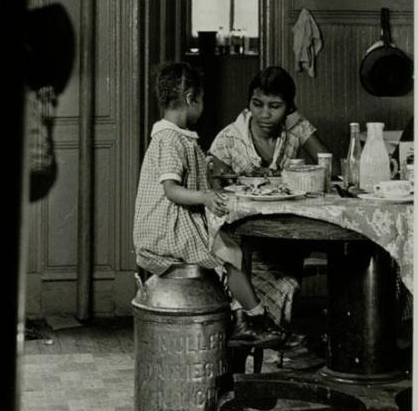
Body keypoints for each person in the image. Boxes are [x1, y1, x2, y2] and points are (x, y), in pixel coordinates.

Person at [133, 61, 284, 342]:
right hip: (165, 230)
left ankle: (245, 315)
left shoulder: (177, 137)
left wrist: (210, 173)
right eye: (200, 100)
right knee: (231, 252)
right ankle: (253, 318)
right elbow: (171, 190)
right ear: (191, 98)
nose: (202, 107)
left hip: (173, 223)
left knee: (229, 247)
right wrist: (205, 196)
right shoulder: (169, 139)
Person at [208, 65, 331, 329]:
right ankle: (259, 324)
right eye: (257, 104)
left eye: (275, 106)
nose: (264, 114)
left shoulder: (293, 132)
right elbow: (215, 194)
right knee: (281, 282)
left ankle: (278, 334)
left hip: (287, 239)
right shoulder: (229, 140)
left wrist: (298, 119)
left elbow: (332, 168)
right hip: (244, 246)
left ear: (288, 107)